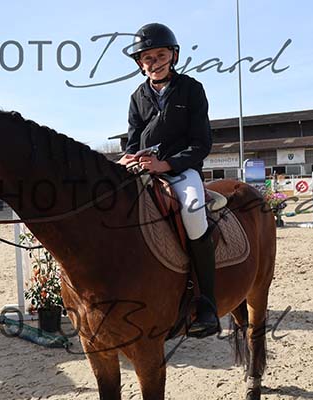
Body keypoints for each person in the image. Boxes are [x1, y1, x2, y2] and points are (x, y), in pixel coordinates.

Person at [117, 23, 219, 338]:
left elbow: (201, 143)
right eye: (147, 58)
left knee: (193, 213)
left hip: (181, 171)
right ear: (140, 63)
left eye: (160, 55)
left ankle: (207, 304)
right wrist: (128, 157)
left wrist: (167, 164)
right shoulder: (137, 96)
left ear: (173, 56)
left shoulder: (191, 89)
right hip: (145, 169)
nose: (154, 62)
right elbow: (133, 140)